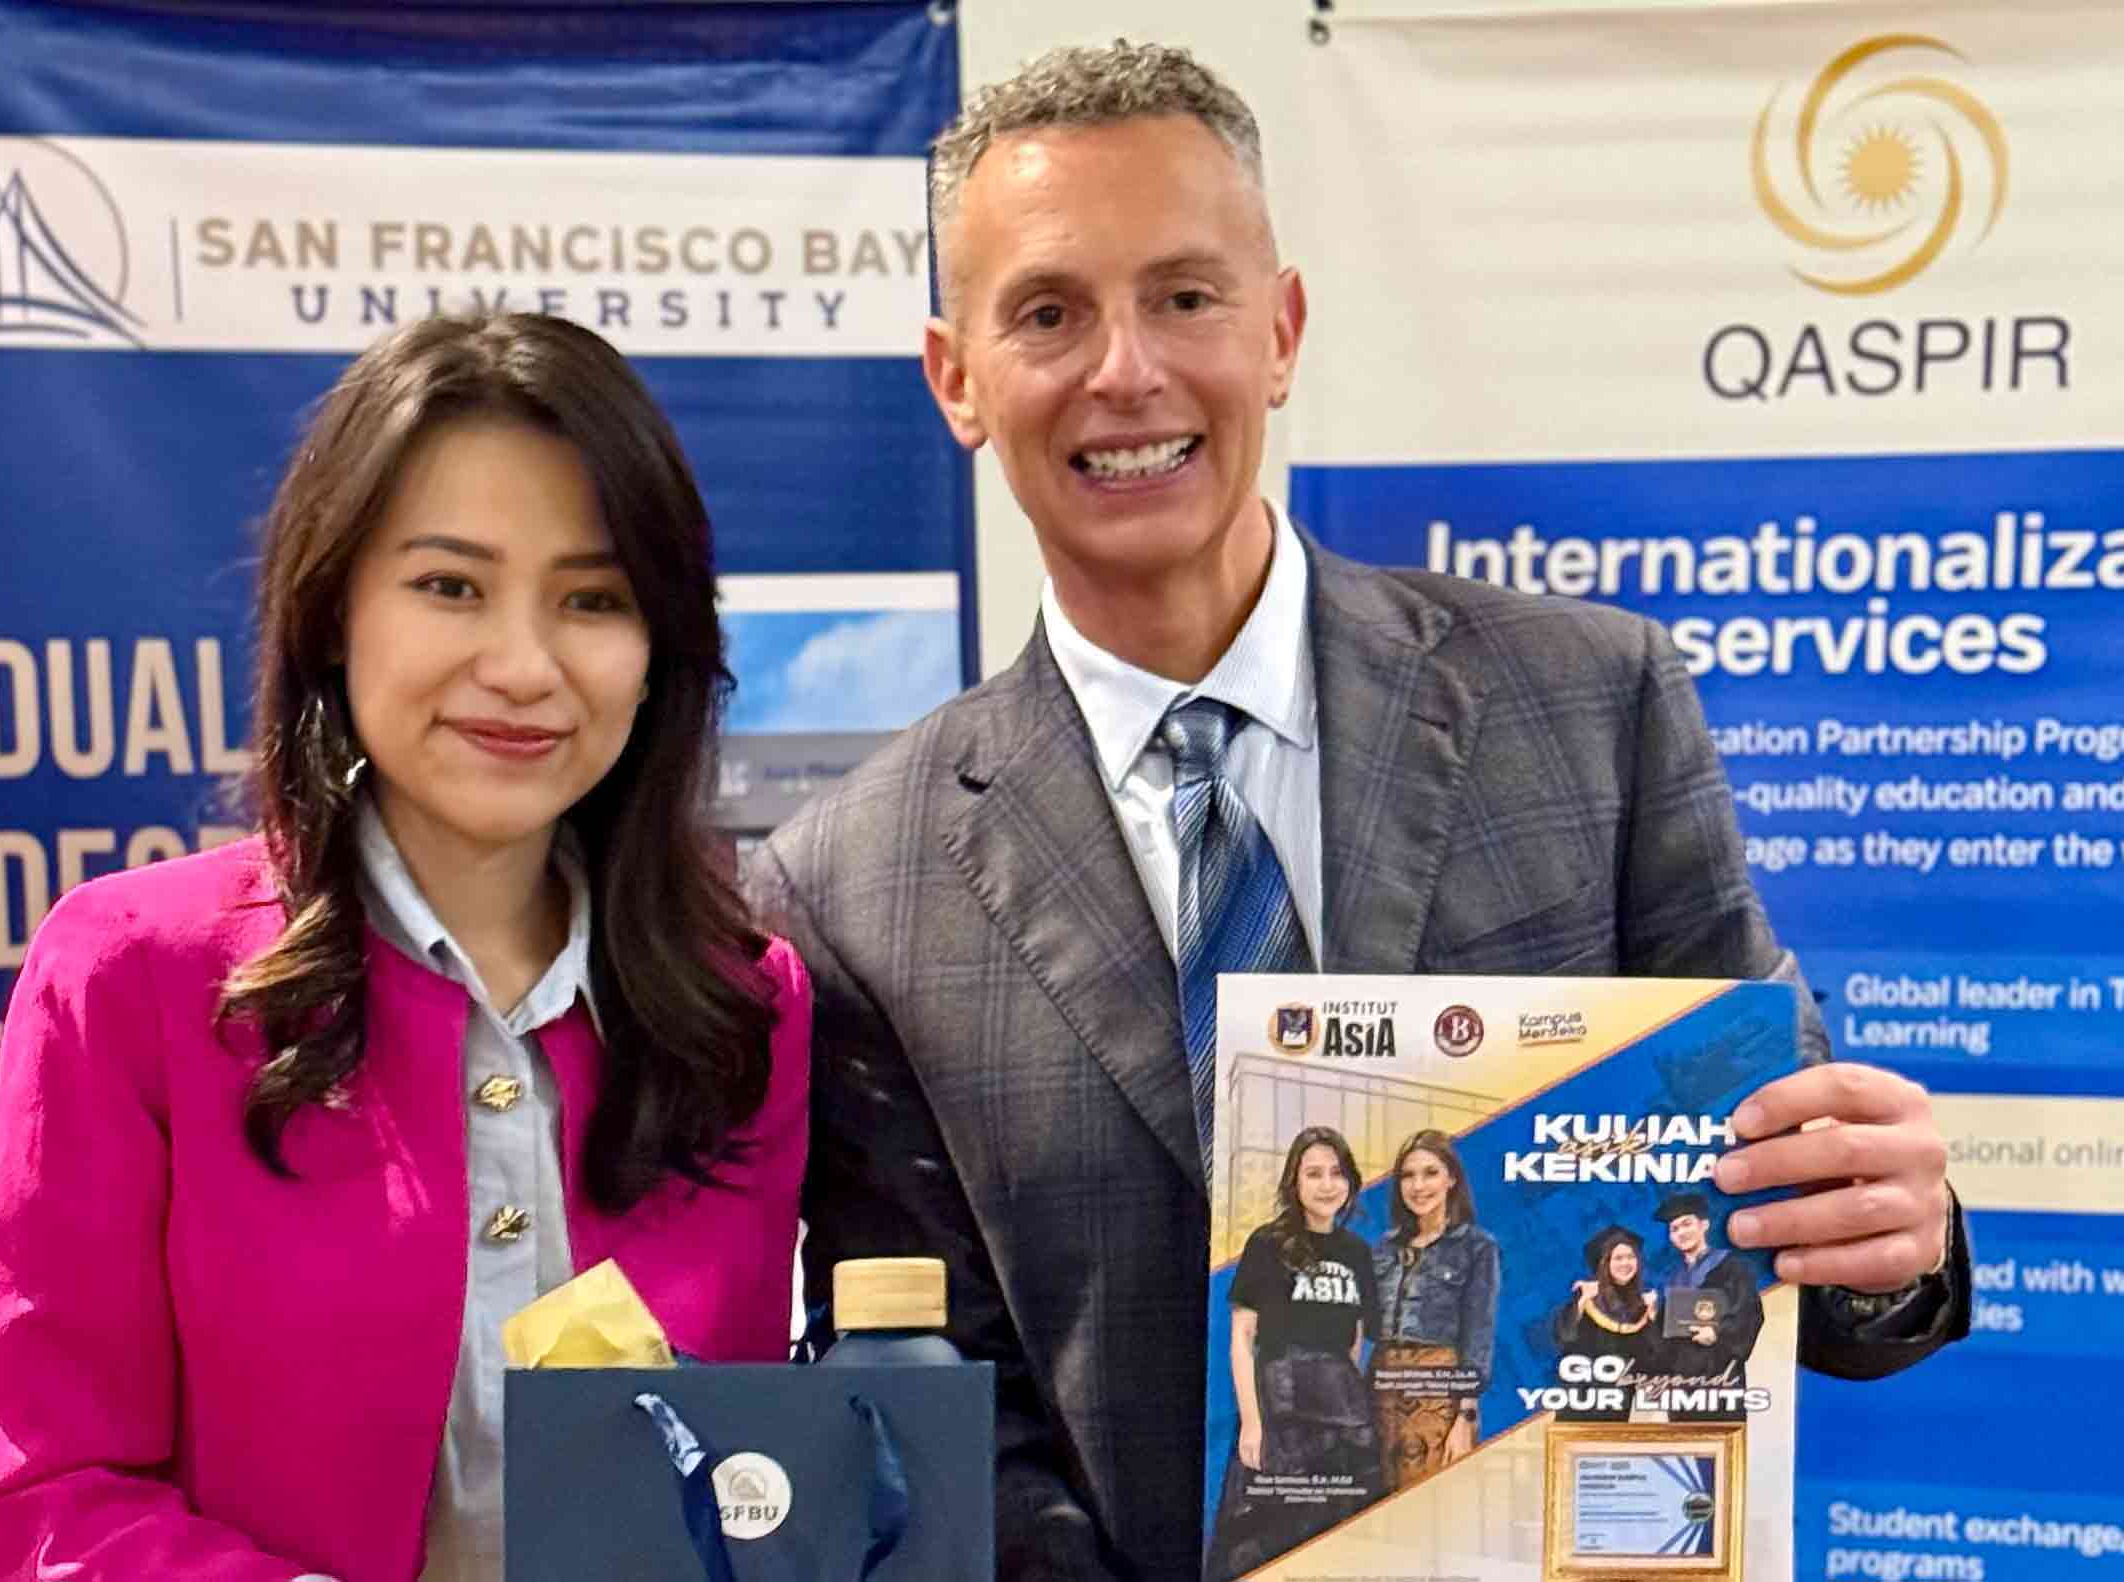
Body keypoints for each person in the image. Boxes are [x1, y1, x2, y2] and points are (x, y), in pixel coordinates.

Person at [746, 42, 1970, 1580]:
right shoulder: (851, 885)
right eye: (1048, 312)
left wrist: (1876, 1235)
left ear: (1280, 330)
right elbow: (942, 1405)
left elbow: (1767, 1215)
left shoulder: (1590, 703)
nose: (1125, 368)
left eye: (1186, 296)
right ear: (957, 379)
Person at [0, 313, 812, 1582]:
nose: (521, 665)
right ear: (334, 609)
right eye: (449, 585)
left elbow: (757, 1491)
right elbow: (36, 1492)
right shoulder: (132, 972)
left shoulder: (744, 1010)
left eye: (592, 599)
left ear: (657, 647)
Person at [1209, 1127, 1383, 1578]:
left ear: (1350, 1182)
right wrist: (1252, 1422)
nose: (1327, 1184)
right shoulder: (1266, 1244)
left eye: (1337, 1173)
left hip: (1342, 1418)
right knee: (1265, 1537)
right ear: (1295, 1183)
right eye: (1314, 1173)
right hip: (1279, 1414)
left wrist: (1349, 1406)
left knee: (1336, 1537)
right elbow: (1241, 1339)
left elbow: (1355, 1341)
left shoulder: (1358, 1252)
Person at [1367, 1131, 1500, 1489]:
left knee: (1430, 1496)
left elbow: (1479, 1332)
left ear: (1451, 1179)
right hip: (1380, 1384)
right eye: (1408, 1176)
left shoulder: (1476, 1246)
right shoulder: (1383, 1247)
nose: (1418, 1185)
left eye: (1430, 1173)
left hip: (1438, 1388)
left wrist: (1466, 1416)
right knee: (1375, 1501)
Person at [1648, 1192, 1766, 1422]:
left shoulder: (1731, 1267)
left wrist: (1717, 1333)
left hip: (1720, 1373)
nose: (1681, 1232)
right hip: (1681, 1380)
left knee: (1721, 1441)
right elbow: (1665, 1334)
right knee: (1685, 1445)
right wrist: (1654, 1316)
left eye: (1686, 1224)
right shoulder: (1672, 1278)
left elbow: (1749, 1311)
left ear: (1704, 1225)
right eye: (1674, 1229)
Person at [1552, 1226, 1658, 1423]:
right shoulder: (1586, 1295)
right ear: (1604, 1263)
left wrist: (1653, 1318)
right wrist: (1581, 1304)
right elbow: (1563, 1338)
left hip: (1618, 1403)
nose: (1625, 1263)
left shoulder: (1642, 1304)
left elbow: (1650, 1360)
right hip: (1582, 1399)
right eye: (1617, 1258)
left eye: (1630, 1256)